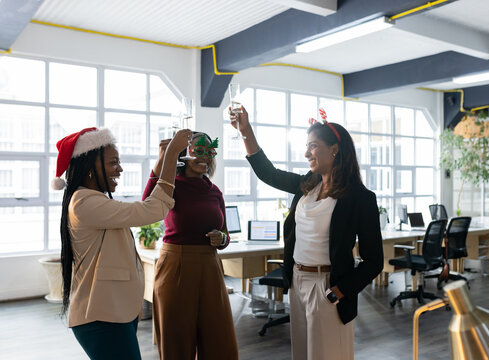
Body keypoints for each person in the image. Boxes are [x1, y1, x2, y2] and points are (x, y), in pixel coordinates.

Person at [230, 106, 384, 360]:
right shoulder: (308, 185)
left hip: (328, 286)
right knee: (302, 354)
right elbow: (267, 173)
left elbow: (374, 260)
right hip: (298, 281)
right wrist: (245, 130)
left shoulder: (360, 198)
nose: (306, 153)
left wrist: (340, 291)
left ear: (334, 149)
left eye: (313, 146)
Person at [54, 126, 191, 360]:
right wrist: (171, 157)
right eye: (113, 162)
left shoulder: (93, 201)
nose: (120, 169)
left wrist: (161, 161)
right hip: (102, 317)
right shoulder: (83, 202)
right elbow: (153, 209)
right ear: (89, 168)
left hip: (115, 312)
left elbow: (144, 207)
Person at [142, 132, 238, 360]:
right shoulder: (171, 185)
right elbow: (147, 203)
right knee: (176, 339)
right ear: (184, 154)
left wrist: (221, 239)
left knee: (218, 338)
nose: (204, 158)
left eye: (209, 152)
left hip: (210, 266)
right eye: (198, 151)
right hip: (176, 265)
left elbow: (225, 234)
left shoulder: (214, 191)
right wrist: (164, 157)